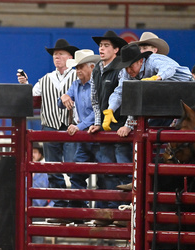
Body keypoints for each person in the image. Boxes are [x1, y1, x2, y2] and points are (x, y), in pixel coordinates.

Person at [17, 38, 78, 209]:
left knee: (72, 166)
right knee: (53, 168)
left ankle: (75, 201)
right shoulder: (46, 78)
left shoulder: (77, 75)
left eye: (60, 54)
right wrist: (24, 85)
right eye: (55, 55)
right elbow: (32, 94)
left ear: (70, 57)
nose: (56, 57)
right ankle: (59, 202)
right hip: (50, 126)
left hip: (71, 126)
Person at [87, 30, 128, 226]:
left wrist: (128, 124)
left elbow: (125, 97)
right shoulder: (97, 70)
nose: (101, 49)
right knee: (108, 170)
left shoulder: (122, 68)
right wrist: (97, 122)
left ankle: (124, 210)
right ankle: (113, 211)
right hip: (106, 128)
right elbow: (95, 100)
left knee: (123, 169)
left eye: (106, 46)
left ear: (116, 49)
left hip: (120, 128)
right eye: (100, 45)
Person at [56, 49, 100, 218]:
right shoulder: (76, 85)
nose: (78, 71)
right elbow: (62, 103)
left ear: (91, 67)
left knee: (106, 175)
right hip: (85, 136)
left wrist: (79, 126)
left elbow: (98, 111)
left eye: (81, 67)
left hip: (97, 136)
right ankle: (78, 211)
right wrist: (64, 96)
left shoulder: (97, 84)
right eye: (76, 68)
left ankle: (102, 213)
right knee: (77, 174)